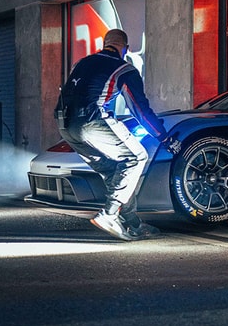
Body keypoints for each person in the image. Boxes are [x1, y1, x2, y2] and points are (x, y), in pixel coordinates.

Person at [55, 29, 179, 241]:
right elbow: (140, 110)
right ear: (126, 49)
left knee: (114, 171)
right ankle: (109, 215)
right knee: (136, 157)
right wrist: (164, 137)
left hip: (65, 125)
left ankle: (132, 222)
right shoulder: (124, 68)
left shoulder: (82, 63)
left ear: (104, 44)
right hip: (91, 121)